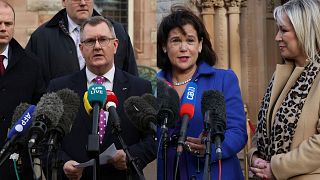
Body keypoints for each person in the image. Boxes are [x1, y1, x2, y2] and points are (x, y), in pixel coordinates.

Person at [47, 16, 156, 179]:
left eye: (103, 40)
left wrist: (131, 156)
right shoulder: (59, 89)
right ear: (81, 49)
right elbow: (45, 141)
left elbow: (154, 139)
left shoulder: (139, 88)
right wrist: (62, 163)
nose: (97, 46)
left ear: (115, 45)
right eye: (90, 41)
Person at [156, 6, 247, 180]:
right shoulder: (154, 85)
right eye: (175, 40)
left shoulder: (223, 79)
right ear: (164, 46)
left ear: (200, 45)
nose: (184, 48)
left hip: (215, 173)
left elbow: (238, 131)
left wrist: (211, 148)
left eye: (190, 40)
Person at [248, 0, 320, 179]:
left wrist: (277, 167)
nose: (277, 37)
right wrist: (255, 156)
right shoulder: (281, 75)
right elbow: (265, 127)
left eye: (284, 30)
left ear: (305, 31)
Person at [26, 0, 138, 84]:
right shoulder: (42, 38)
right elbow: (30, 83)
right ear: (64, 1)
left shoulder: (116, 32)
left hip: (110, 111)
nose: (83, 3)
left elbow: (131, 78)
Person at [0, 1, 46, 179]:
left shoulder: (31, 64)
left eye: (8, 23)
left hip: (18, 165)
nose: (3, 28)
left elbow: (39, 106)